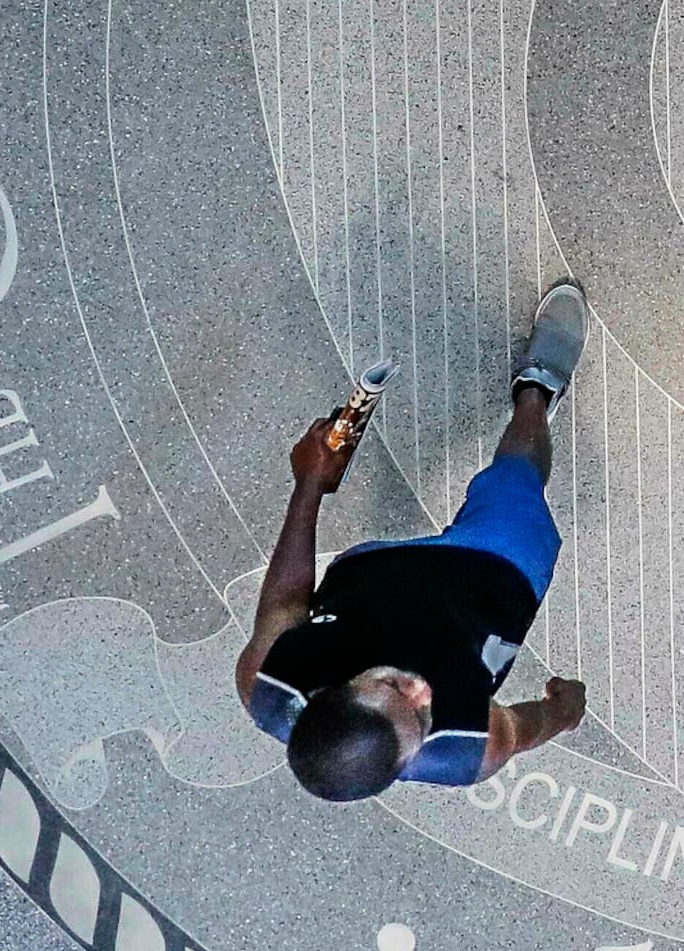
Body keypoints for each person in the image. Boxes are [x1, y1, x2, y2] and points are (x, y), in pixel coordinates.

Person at [236, 281, 594, 800]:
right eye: (423, 718)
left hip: (378, 575)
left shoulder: (267, 682)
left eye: (392, 688)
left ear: (330, 691)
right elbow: (528, 726)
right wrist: (565, 711)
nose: (423, 692)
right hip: (491, 586)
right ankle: (535, 393)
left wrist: (310, 483)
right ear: (411, 758)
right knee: (518, 484)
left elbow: (285, 602)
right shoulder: (470, 747)